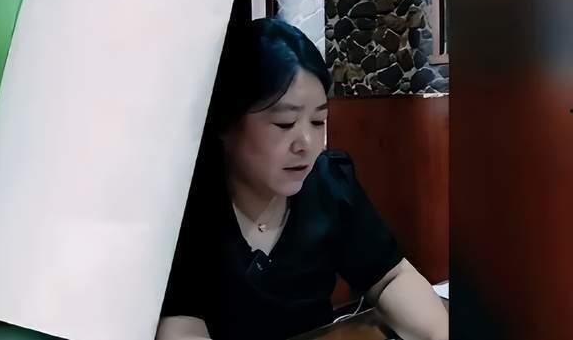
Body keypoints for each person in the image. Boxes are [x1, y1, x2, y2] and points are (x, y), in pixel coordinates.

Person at [156, 18, 448, 340]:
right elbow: (180, 321)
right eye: (285, 123)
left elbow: (390, 276)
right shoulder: (186, 208)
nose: (307, 144)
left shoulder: (329, 184)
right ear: (225, 123)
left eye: (318, 121)